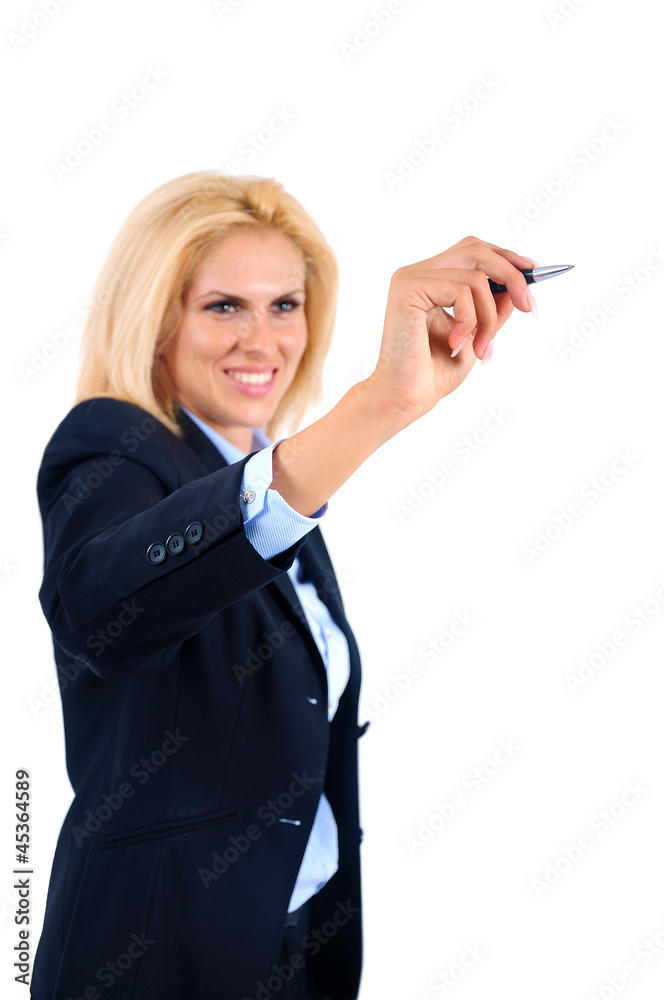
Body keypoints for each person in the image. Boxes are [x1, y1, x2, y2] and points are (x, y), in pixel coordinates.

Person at [31, 170, 537, 1000]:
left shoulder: (268, 472)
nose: (261, 340)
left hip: (293, 947)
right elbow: (99, 615)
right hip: (156, 957)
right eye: (224, 305)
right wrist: (379, 405)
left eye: (285, 305)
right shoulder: (114, 444)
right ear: (156, 320)